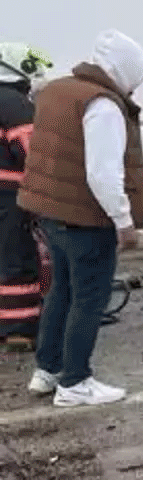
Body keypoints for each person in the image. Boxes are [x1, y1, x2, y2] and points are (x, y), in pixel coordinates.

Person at [17, 29, 143, 407]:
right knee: (89, 300)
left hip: (52, 212)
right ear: (122, 70)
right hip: (85, 219)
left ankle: (48, 370)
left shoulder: (57, 91)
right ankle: (75, 381)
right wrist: (124, 221)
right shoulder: (103, 104)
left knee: (61, 291)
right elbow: (103, 173)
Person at [0, 43, 53, 352]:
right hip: (9, 197)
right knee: (17, 260)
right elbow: (32, 152)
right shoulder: (15, 105)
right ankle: (19, 330)